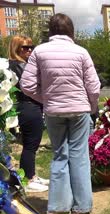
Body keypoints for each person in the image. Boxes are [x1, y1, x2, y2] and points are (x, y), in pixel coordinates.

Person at [21, 13, 100, 214]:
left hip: (54, 111)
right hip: (79, 110)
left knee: (60, 155)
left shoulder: (39, 51)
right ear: (71, 31)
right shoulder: (81, 52)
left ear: (50, 31)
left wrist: (46, 99)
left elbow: (26, 85)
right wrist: (92, 107)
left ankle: (56, 208)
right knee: (79, 156)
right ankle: (81, 206)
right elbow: (93, 86)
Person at [8, 35, 49, 193]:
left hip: (26, 106)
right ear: (16, 49)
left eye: (31, 47)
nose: (30, 50)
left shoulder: (14, 65)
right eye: (25, 48)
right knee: (31, 145)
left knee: (31, 144)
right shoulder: (20, 65)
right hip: (29, 106)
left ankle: (31, 174)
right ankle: (28, 179)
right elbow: (36, 85)